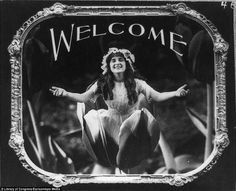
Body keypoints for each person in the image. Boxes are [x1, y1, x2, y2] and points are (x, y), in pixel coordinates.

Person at [50, 47, 189, 171]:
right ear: (108, 66)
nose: (117, 63)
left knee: (138, 119)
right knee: (95, 119)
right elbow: (83, 98)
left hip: (133, 122)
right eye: (113, 61)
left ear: (126, 63)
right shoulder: (102, 84)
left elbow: (157, 96)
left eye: (120, 60)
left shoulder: (137, 83)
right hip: (110, 122)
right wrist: (66, 93)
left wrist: (175, 93)